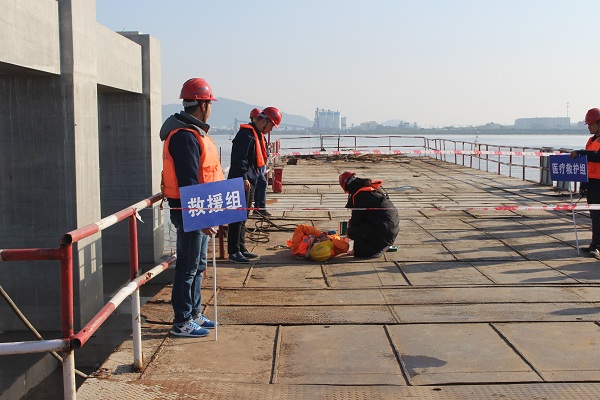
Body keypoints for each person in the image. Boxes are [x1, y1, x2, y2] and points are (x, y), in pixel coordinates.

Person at [160, 78, 223, 337]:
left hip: (199, 209)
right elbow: (188, 181)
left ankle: (195, 313)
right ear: (203, 105)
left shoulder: (194, 133)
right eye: (210, 104)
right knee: (187, 267)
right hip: (190, 212)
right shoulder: (185, 137)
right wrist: (201, 216)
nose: (210, 108)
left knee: (198, 265)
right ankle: (182, 320)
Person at [227, 107, 282, 262]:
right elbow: (239, 159)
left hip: (251, 180)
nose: (271, 129)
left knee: (244, 216)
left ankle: (241, 248)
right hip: (240, 180)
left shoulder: (257, 135)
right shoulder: (246, 135)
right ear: (264, 121)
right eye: (271, 126)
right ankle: (233, 251)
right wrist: (243, 178)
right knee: (236, 217)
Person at [338, 171, 400, 258]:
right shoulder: (371, 188)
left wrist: (348, 229)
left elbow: (356, 221)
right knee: (359, 226)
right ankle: (382, 246)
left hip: (384, 233)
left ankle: (367, 249)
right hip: (391, 231)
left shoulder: (361, 195)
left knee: (351, 230)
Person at [570, 107, 600, 258]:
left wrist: (581, 152)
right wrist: (583, 183)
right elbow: (586, 163)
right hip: (591, 182)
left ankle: (597, 246)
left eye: (591, 124)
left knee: (598, 216)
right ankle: (594, 244)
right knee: (594, 216)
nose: (588, 127)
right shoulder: (591, 140)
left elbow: (597, 156)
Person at [249, 108, 271, 217]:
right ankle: (259, 208)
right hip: (254, 167)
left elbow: (264, 148)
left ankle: (258, 207)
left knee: (260, 185)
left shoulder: (260, 134)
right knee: (261, 184)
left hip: (260, 164)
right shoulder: (250, 134)